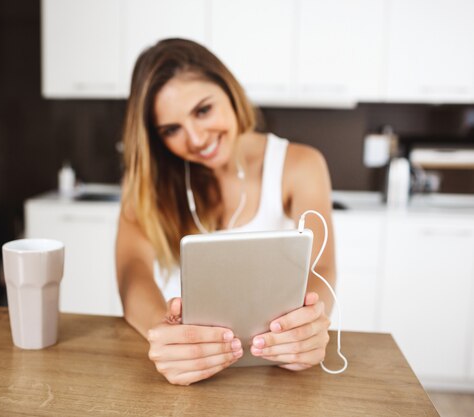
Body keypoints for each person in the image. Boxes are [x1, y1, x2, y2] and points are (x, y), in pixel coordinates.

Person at [115, 38, 336, 386]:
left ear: (230, 91)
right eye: (171, 130)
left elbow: (320, 269)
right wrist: (166, 334)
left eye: (203, 110)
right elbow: (132, 274)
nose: (196, 138)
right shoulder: (149, 181)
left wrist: (305, 328)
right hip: (187, 376)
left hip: (272, 371)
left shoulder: (300, 165)